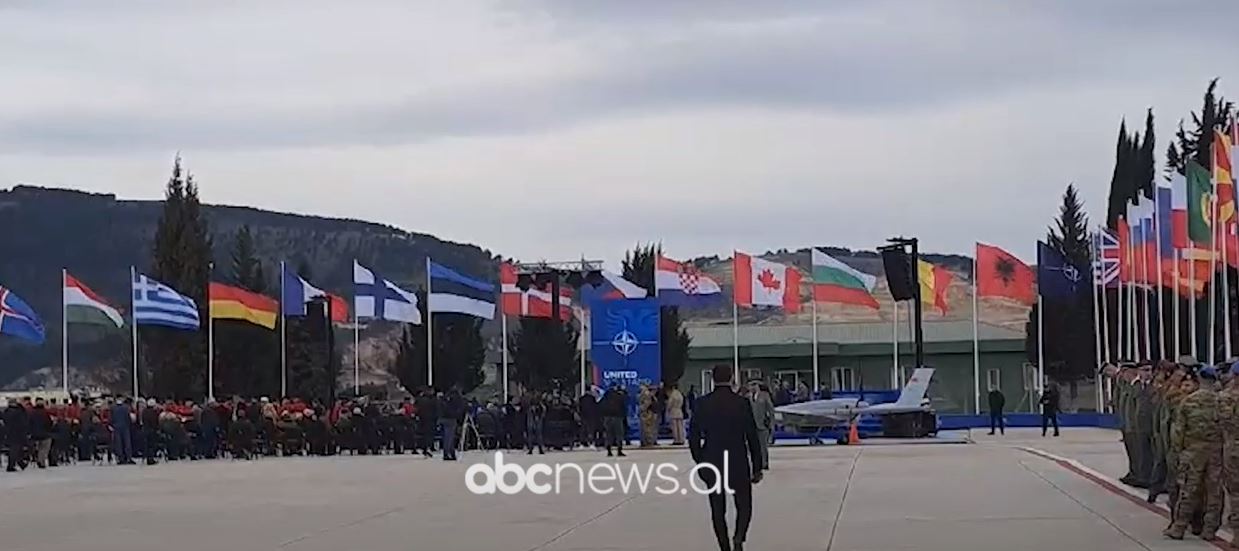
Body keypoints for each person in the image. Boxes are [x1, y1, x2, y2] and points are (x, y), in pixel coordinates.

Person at [689, 367, 763, 551]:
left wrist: (700, 462)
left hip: (712, 460)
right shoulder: (741, 403)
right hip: (737, 459)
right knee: (744, 504)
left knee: (717, 507)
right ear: (731, 378)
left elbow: (693, 437)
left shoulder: (701, 404)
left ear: (713, 379)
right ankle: (739, 537)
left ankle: (724, 546)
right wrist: (757, 466)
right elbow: (752, 435)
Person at [1165, 365, 1224, 541]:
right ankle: (1210, 530)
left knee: (1188, 490)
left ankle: (1179, 527)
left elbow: (1178, 431)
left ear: (1199, 380)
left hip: (1193, 451)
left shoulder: (1188, 401)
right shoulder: (1221, 401)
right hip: (1215, 451)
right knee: (1214, 492)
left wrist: (1179, 451)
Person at [748, 381, 774, 470]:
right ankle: (755, 463)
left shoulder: (765, 396)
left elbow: (771, 410)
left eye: (753, 385)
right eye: (750, 385)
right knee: (752, 446)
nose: (751, 387)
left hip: (762, 425)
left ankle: (764, 463)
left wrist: (771, 423)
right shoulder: (748, 397)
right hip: (751, 426)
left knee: (763, 446)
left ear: (758, 386)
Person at [3, 399, 30, 472]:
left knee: (16, 450)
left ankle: (20, 464)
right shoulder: (19, 412)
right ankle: (12, 465)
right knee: (16, 450)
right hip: (18, 433)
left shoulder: (6, 412)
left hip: (10, 433)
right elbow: (23, 423)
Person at [600, 385, 626, 457]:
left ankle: (609, 451)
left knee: (609, 434)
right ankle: (619, 450)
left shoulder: (605, 397)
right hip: (617, 417)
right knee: (619, 434)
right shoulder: (619, 396)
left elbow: (601, 406)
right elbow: (623, 406)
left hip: (607, 417)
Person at [440, 388, 465, 461]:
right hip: (452, 418)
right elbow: (461, 407)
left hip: (444, 418)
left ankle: (451, 452)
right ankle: (447, 452)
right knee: (450, 436)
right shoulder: (457, 399)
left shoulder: (445, 398)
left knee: (447, 435)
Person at [29, 398, 53, 468]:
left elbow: (29, 422)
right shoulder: (45, 412)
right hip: (44, 434)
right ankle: (41, 460)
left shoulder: (32, 412)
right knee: (45, 446)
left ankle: (39, 458)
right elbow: (49, 423)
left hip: (34, 434)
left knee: (39, 447)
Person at [110, 398, 135, 465]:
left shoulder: (113, 408)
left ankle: (121, 458)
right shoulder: (126, 408)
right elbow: (128, 417)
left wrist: (112, 425)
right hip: (125, 427)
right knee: (127, 443)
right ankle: (129, 457)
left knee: (119, 443)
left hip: (117, 427)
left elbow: (111, 418)